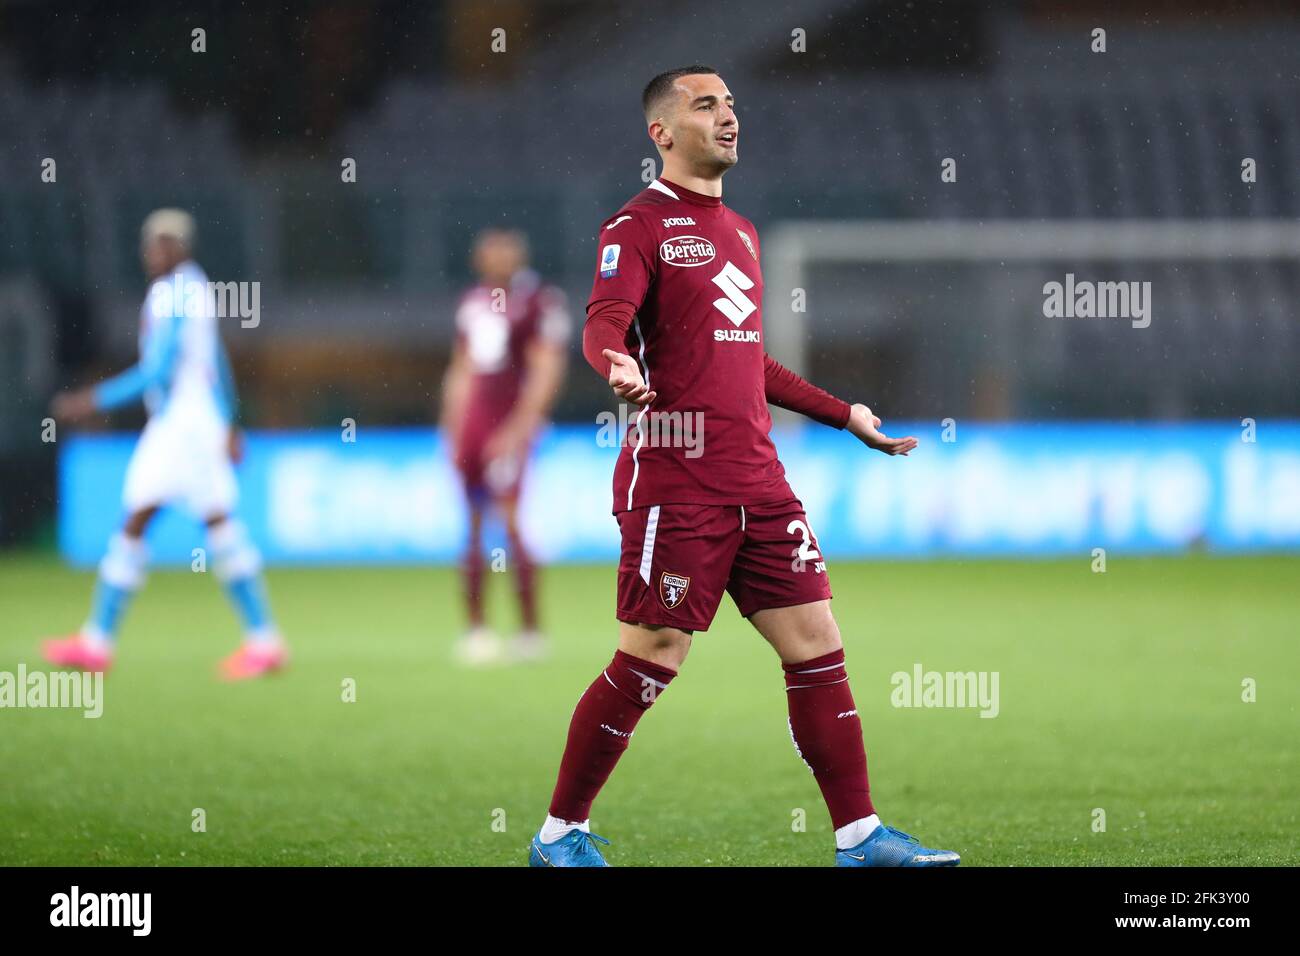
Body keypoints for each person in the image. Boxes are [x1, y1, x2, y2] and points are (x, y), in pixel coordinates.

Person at [529, 67, 958, 867]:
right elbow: (604, 321)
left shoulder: (742, 233)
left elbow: (749, 362)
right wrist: (615, 363)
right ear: (661, 132)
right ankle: (560, 835)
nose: (729, 117)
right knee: (653, 653)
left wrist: (844, 414)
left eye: (730, 104)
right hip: (676, 477)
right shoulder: (638, 225)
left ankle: (860, 836)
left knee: (816, 639)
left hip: (758, 480)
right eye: (706, 105)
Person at [43, 209, 286, 680]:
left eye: (159, 244)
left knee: (176, 522)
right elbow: (215, 359)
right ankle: (100, 641)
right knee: (175, 522)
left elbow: (158, 370)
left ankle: (261, 641)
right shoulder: (194, 287)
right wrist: (230, 420)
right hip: (187, 423)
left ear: (179, 247)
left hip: (184, 426)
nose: (150, 252)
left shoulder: (176, 293)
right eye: (148, 244)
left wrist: (91, 399)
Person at [440, 229, 569, 664]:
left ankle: (530, 631)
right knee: (473, 525)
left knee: (512, 523)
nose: (496, 259)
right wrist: (452, 427)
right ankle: (476, 629)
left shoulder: (539, 302)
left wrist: (520, 426)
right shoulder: (471, 302)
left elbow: (546, 367)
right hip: (474, 426)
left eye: (505, 251)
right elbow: (461, 370)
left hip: (507, 422)